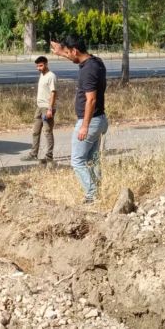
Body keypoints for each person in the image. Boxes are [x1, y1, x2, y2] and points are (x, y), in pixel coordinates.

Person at [50, 35, 108, 204]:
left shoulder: (87, 71)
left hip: (90, 121)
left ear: (75, 50)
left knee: (77, 161)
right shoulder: (96, 62)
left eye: (68, 53)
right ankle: (99, 190)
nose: (67, 56)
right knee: (92, 159)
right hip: (100, 119)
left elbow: (91, 100)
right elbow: (73, 54)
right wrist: (61, 51)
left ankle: (92, 194)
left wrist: (84, 126)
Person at [21, 56, 57, 165]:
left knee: (47, 132)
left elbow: (53, 93)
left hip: (47, 108)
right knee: (35, 131)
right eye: (37, 66)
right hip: (39, 107)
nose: (39, 68)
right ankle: (33, 154)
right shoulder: (42, 75)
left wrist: (50, 109)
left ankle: (49, 157)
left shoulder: (51, 76)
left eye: (40, 65)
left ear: (46, 64)